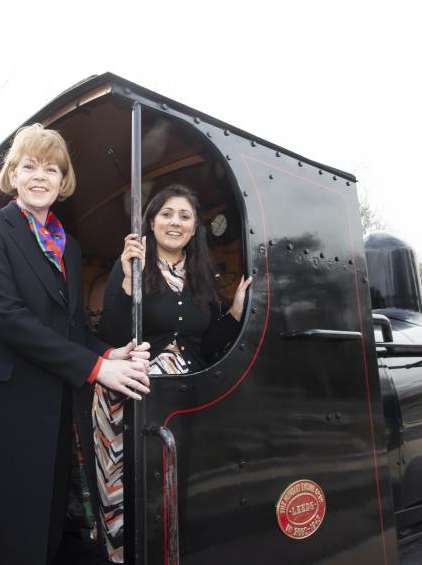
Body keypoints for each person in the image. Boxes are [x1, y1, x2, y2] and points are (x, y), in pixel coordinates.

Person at [0, 123, 151, 565]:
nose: (40, 176)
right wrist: (95, 368)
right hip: (9, 403)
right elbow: (7, 318)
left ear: (63, 180)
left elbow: (68, 326)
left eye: (51, 168)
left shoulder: (69, 246)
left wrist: (109, 353)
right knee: (9, 525)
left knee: (47, 520)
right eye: (29, 166)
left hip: (59, 403)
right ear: (13, 174)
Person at [95, 184, 252, 562]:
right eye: (166, 214)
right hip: (132, 388)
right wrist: (130, 282)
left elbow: (207, 343)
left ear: (195, 226)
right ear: (151, 221)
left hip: (188, 390)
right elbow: (111, 335)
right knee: (129, 489)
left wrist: (234, 313)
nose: (175, 222)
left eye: (184, 216)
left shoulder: (202, 273)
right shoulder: (131, 261)